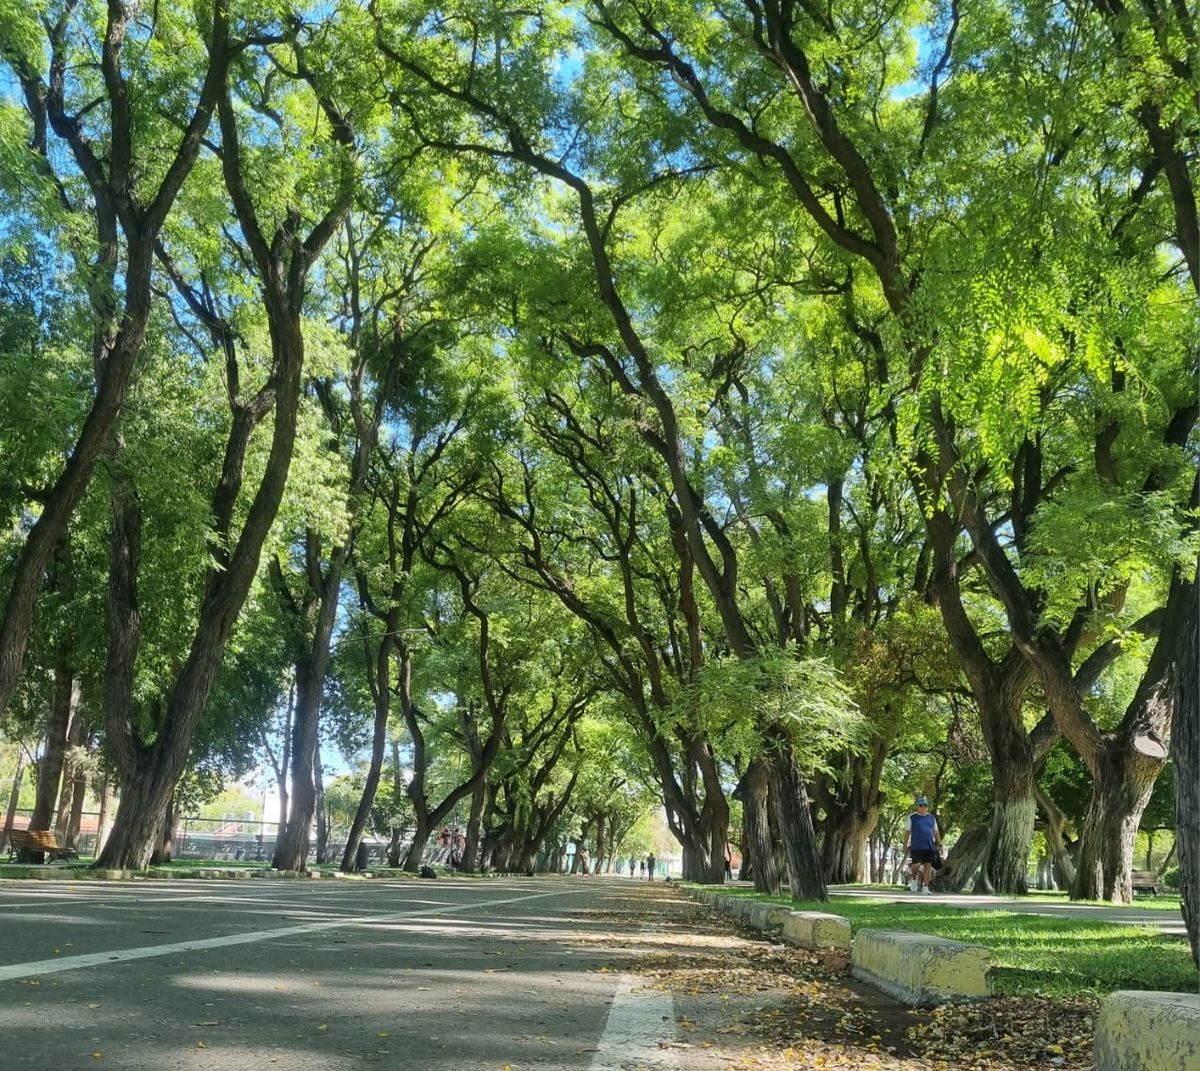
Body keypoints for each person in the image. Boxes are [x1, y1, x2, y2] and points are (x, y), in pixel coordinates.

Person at [903, 795, 942, 896]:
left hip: (929, 847)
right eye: (921, 805)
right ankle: (914, 879)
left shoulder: (931, 818)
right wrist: (905, 845)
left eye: (925, 805)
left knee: (928, 866)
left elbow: (936, 832)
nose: (923, 807)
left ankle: (925, 888)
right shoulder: (912, 817)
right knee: (915, 866)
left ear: (927, 807)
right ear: (917, 806)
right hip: (916, 846)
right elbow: (907, 832)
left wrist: (939, 843)